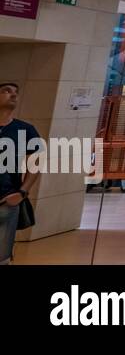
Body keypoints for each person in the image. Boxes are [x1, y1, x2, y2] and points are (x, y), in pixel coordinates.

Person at [0, 82, 39, 266]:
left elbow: (35, 163)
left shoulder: (25, 129)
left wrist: (22, 192)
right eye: (7, 91)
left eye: (16, 92)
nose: (13, 95)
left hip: (7, 199)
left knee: (2, 256)